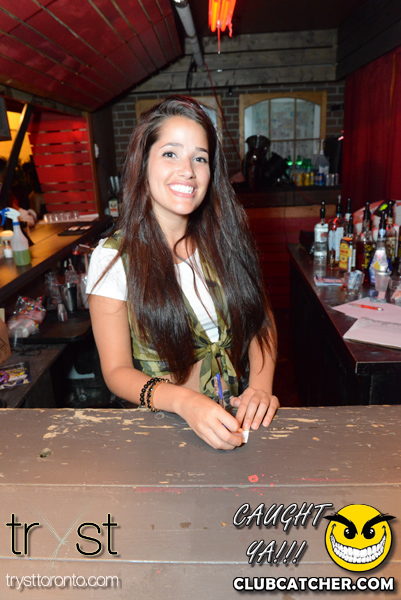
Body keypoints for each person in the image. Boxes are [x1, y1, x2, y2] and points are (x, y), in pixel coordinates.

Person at [87, 95, 279, 450]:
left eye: (200, 158)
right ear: (143, 163)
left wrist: (260, 387)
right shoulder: (114, 258)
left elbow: (260, 320)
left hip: (238, 423)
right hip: (165, 434)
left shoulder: (225, 239)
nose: (188, 170)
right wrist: (185, 402)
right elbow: (116, 372)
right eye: (170, 153)